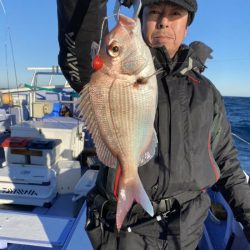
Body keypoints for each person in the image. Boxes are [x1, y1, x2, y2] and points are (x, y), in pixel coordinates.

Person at [57, 0, 250, 249]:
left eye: (175, 13)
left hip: (187, 231)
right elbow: (80, 50)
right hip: (124, 230)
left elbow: (228, 164)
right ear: (142, 16)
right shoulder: (106, 72)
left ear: (187, 27)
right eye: (155, 12)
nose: (163, 21)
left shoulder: (206, 92)